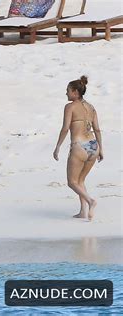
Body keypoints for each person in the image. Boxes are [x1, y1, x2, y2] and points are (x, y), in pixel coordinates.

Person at [53, 76, 103, 221]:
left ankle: (90, 201)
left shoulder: (70, 107)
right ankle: (83, 212)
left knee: (72, 182)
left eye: (67, 91)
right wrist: (102, 149)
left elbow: (65, 129)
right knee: (80, 180)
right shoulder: (91, 107)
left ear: (75, 92)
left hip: (79, 146)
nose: (66, 94)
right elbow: (97, 129)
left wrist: (57, 147)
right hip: (93, 146)